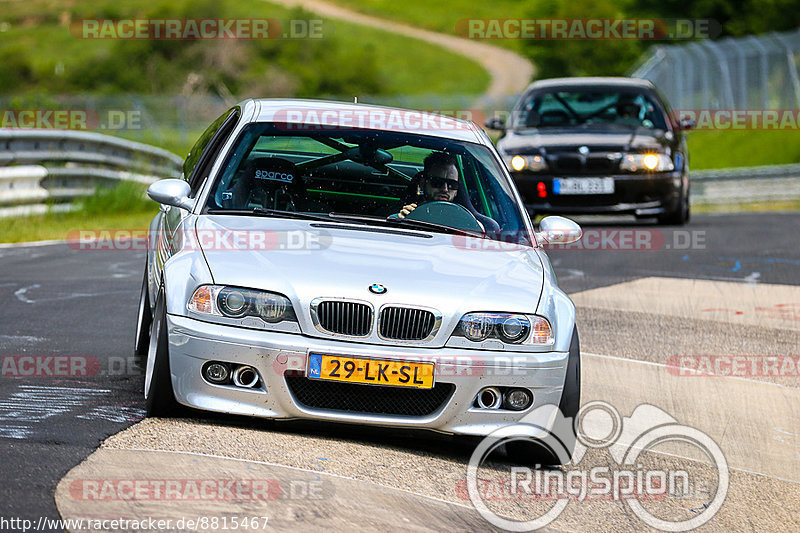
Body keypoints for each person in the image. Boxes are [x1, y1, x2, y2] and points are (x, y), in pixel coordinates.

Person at [397, 152, 460, 218]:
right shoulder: (411, 212)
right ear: (422, 184)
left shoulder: (463, 219)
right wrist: (402, 221)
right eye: (437, 182)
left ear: (457, 191)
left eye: (452, 185)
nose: (445, 189)